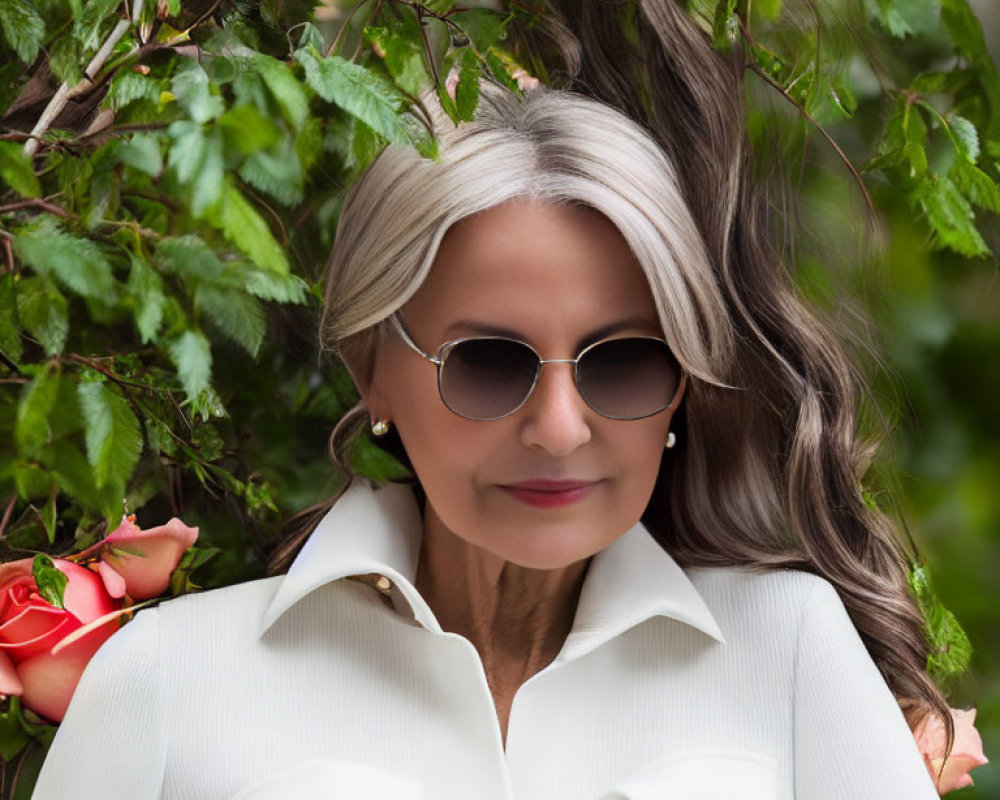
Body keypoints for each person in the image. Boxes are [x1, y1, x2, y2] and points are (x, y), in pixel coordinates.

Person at [33, 4, 953, 799]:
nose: (558, 430)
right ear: (370, 367)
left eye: (623, 363)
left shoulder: (787, 652)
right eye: (486, 364)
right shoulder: (168, 680)